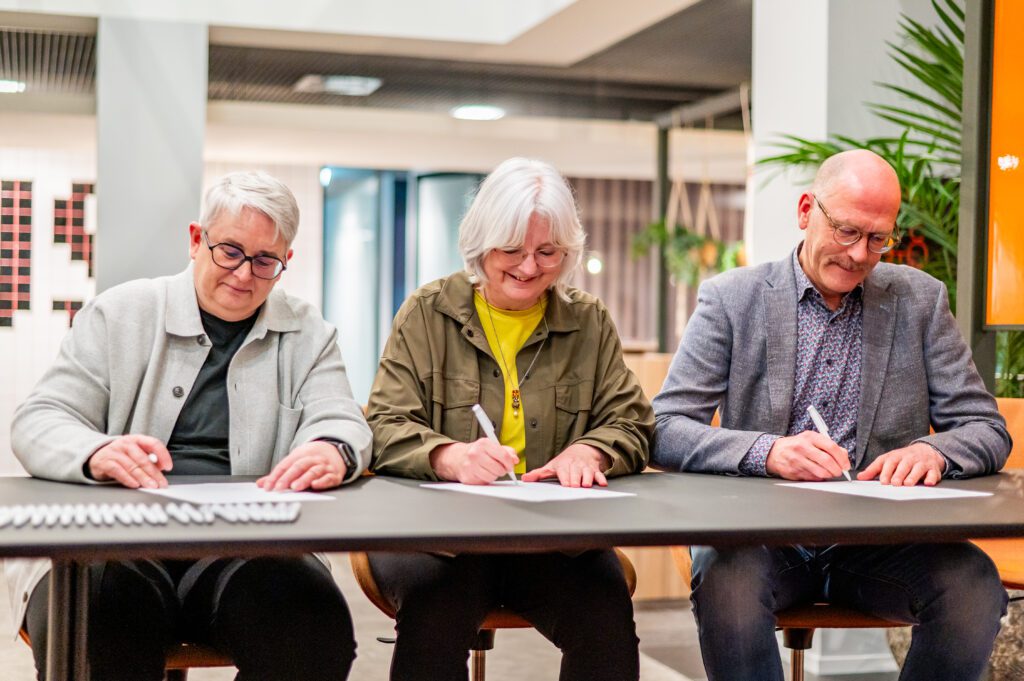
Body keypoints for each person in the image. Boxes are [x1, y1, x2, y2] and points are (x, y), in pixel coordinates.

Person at [651, 149, 1011, 681]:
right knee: (727, 580)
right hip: (764, 538)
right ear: (805, 211)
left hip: (879, 544)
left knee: (973, 585)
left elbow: (986, 428)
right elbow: (664, 427)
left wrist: (932, 450)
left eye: (877, 238)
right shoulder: (732, 300)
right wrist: (766, 452)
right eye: (845, 231)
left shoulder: (919, 302)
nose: (859, 254)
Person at [7, 171, 371, 681]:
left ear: (285, 262)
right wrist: (95, 452)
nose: (244, 275)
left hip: (247, 546)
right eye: (230, 251)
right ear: (197, 239)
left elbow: (340, 417)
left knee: (308, 624)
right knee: (98, 624)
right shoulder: (120, 313)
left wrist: (331, 447)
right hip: (114, 544)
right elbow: (40, 418)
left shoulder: (309, 333)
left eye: (265, 261)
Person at [366, 157, 653, 681]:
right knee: (435, 614)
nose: (528, 266)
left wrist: (591, 451)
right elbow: (384, 424)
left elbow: (631, 421)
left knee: (606, 617)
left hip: (551, 539)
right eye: (511, 250)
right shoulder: (427, 313)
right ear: (481, 244)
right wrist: (449, 457)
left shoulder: (588, 321)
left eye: (547, 252)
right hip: (438, 541)